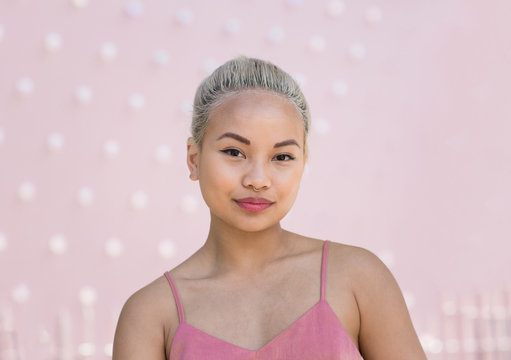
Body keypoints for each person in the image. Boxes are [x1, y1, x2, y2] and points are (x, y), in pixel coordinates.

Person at [112, 56, 426, 359]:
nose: (258, 180)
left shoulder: (359, 278)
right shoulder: (150, 315)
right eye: (234, 152)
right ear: (194, 159)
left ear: (303, 164)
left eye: (282, 157)